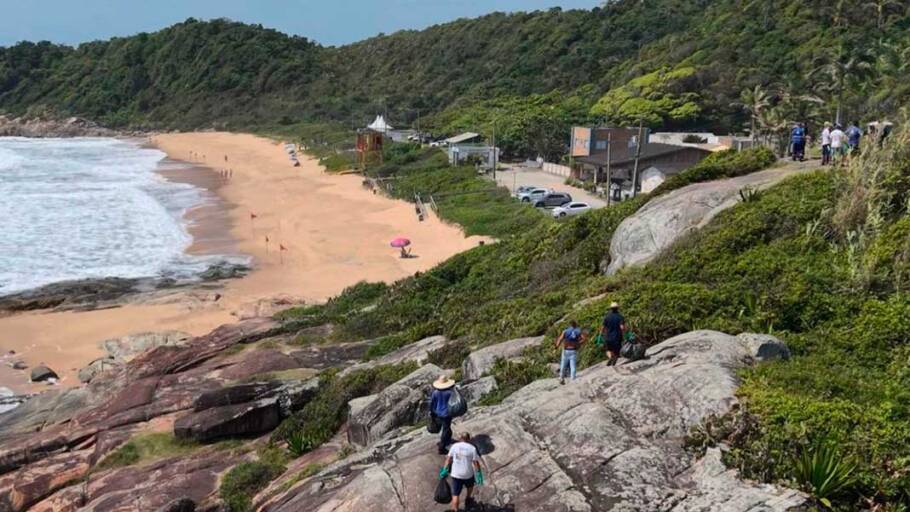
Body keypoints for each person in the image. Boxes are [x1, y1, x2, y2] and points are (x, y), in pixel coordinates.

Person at [439, 432, 483, 512]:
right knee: (470, 486)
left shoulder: (454, 446)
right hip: (467, 474)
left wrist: (444, 470)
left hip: (456, 474)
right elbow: (475, 463)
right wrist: (478, 473)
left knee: (455, 494)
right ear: (469, 439)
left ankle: (455, 509)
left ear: (460, 438)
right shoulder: (472, 448)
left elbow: (448, 460)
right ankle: (468, 498)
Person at [429, 375, 456, 454]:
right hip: (446, 414)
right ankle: (442, 447)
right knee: (446, 429)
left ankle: (447, 440)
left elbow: (432, 403)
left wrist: (431, 411)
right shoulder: (449, 393)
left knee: (447, 428)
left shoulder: (435, 392)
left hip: (437, 412)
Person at [555, 320, 585, 384]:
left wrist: (556, 347)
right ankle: (573, 379)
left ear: (570, 325)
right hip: (573, 350)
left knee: (563, 365)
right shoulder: (578, 331)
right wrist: (578, 343)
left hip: (566, 350)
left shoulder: (565, 331)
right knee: (573, 365)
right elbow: (584, 339)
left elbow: (560, 339)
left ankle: (561, 378)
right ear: (575, 325)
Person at [601, 302, 626, 366]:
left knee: (608, 349)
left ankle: (610, 357)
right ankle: (615, 357)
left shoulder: (607, 317)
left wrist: (601, 334)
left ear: (610, 309)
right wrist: (626, 332)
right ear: (618, 308)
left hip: (608, 336)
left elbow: (603, 328)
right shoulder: (620, 317)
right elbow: (622, 327)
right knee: (617, 350)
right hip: (617, 336)